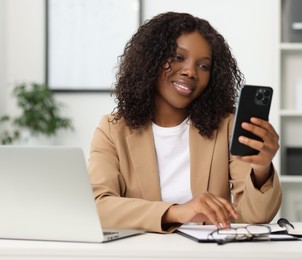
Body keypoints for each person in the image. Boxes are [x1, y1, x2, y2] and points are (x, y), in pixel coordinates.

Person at [88, 11, 282, 234]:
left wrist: (261, 168)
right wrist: (177, 212)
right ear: (151, 60)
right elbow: (97, 207)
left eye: (203, 66)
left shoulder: (226, 126)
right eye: (178, 57)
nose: (191, 71)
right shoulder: (112, 130)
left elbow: (256, 217)